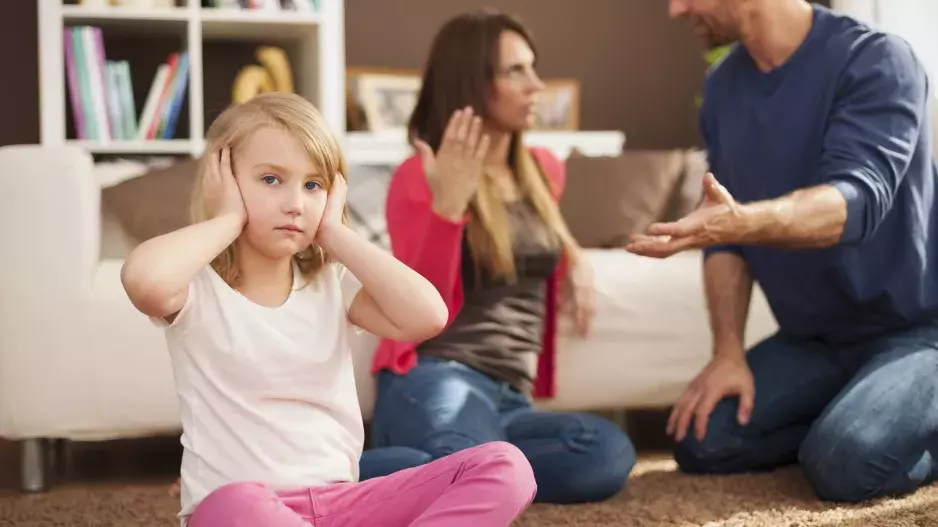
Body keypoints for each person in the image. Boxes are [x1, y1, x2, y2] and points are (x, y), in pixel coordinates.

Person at [121, 92, 537, 527]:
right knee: (235, 502)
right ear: (222, 179)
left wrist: (334, 233)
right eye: (270, 179)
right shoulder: (196, 287)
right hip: (242, 511)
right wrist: (226, 219)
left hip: (342, 504)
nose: (295, 203)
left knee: (506, 466)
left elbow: (428, 316)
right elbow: (145, 281)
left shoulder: (332, 285)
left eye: (313, 185)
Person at [627, 0, 938, 503]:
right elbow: (724, 234)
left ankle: (867, 426)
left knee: (844, 462)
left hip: (917, 330)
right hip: (815, 340)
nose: (676, 10)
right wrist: (727, 352)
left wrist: (742, 222)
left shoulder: (877, 60)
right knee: (703, 440)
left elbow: (855, 205)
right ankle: (860, 417)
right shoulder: (723, 88)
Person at [362, 10, 636, 504]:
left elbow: (537, 242)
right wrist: (449, 206)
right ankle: (351, 476)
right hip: (437, 375)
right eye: (516, 71)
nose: (536, 85)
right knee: (471, 460)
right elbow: (420, 307)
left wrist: (577, 257)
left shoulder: (542, 170)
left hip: (511, 397)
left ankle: (446, 470)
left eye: (533, 67)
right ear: (471, 82)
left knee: (606, 453)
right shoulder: (418, 176)